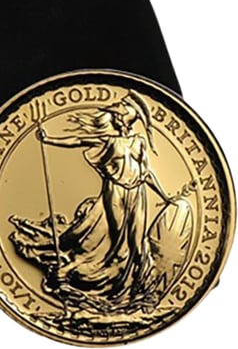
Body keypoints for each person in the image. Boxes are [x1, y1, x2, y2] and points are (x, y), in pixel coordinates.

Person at [11, 92, 175, 312]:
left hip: (138, 193)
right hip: (115, 192)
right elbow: (77, 140)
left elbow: (146, 173)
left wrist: (164, 196)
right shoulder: (107, 140)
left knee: (137, 244)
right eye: (118, 115)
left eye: (122, 115)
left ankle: (139, 290)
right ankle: (113, 286)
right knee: (117, 243)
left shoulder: (139, 142)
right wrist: (49, 139)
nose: (119, 118)